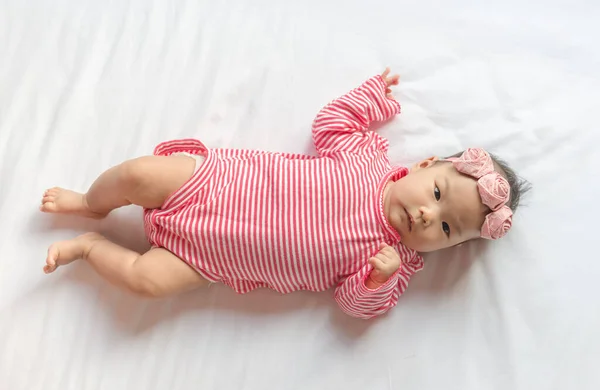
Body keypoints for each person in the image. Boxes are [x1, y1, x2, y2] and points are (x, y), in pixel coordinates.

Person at [40, 68, 530, 319]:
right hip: (215, 183)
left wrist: (375, 282)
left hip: (210, 257)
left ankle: (90, 248)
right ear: (424, 165)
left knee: (147, 282)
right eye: (438, 194)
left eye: (446, 228)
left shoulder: (392, 264)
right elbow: (332, 123)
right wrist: (370, 99)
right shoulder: (367, 159)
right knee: (138, 173)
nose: (427, 215)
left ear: (450, 247)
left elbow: (355, 307)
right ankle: (90, 203)